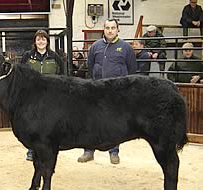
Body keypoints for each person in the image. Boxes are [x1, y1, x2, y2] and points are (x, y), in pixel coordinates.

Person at [77, 18, 137, 165]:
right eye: (107, 28)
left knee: (115, 123)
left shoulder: (126, 48)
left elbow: (132, 70)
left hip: (117, 93)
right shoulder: (95, 47)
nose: (110, 30)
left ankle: (114, 152)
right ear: (103, 29)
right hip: (97, 91)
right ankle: (89, 151)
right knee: (91, 121)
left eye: (113, 28)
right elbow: (90, 68)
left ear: (118, 29)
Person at [21, 29, 64, 161]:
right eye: (38, 39)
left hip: (51, 96)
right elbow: (21, 74)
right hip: (31, 97)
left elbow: (62, 75)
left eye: (43, 39)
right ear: (35, 41)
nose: (41, 41)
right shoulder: (27, 56)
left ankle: (50, 148)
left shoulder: (55, 57)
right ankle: (31, 150)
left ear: (47, 41)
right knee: (32, 124)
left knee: (49, 123)